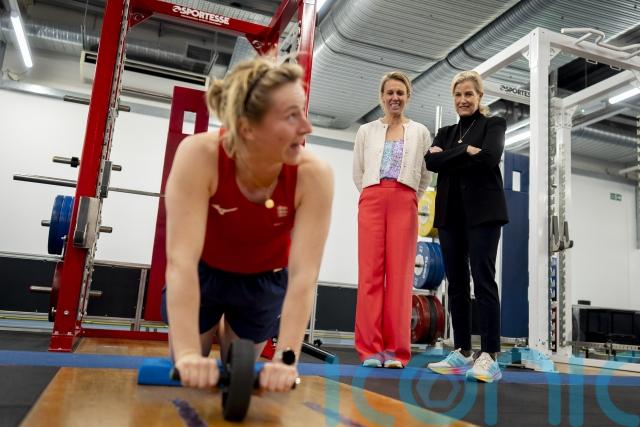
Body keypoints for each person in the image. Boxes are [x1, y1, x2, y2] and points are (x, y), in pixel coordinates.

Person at [162, 56, 334, 392]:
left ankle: (229, 336)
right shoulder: (199, 155)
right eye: (291, 116)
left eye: (303, 112)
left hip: (263, 280)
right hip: (204, 272)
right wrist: (186, 354)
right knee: (188, 371)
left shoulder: (314, 175)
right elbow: (181, 262)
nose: (307, 127)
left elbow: (303, 276)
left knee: (236, 369)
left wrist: (286, 359)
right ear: (247, 128)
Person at [425, 70, 508, 383]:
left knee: (483, 281)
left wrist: (449, 156)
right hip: (450, 215)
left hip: (483, 213)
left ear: (479, 96)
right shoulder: (445, 132)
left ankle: (490, 355)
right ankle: (462, 351)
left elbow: (489, 158)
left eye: (469, 94)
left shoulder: (493, 124)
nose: (463, 100)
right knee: (457, 284)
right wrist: (465, 151)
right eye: (458, 95)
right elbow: (431, 162)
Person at [352, 71, 432, 369]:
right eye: (390, 93)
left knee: (400, 277)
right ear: (382, 97)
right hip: (372, 198)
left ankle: (396, 351)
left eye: (400, 92)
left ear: (408, 96)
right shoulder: (366, 131)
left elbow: (425, 175)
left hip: (405, 200)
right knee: (370, 275)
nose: (394, 97)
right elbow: (359, 171)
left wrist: (409, 196)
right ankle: (370, 350)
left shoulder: (420, 132)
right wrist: (373, 193)